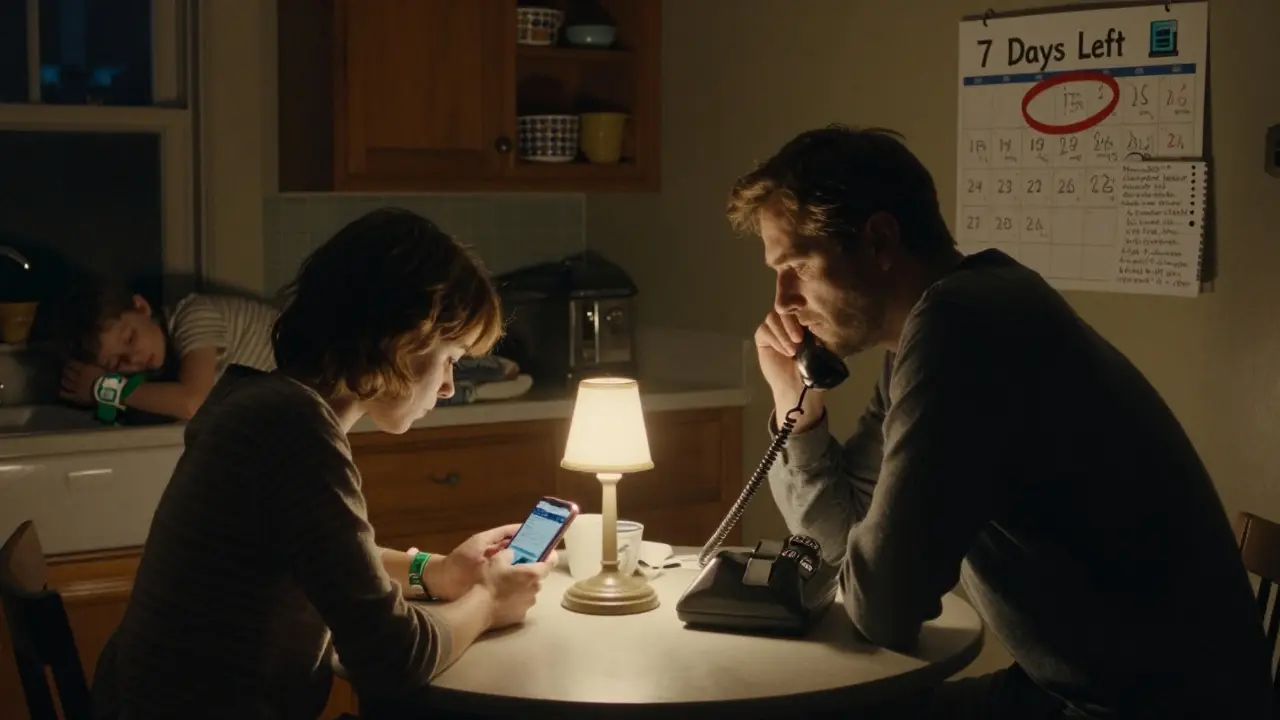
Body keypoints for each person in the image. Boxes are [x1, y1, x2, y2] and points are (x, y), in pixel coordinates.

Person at [728, 125, 1271, 719]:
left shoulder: (958, 331)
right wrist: (798, 411)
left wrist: (866, 572)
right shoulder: (945, 320)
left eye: (798, 266)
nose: (783, 301)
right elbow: (844, 543)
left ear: (880, 240)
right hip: (1082, 691)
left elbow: (884, 608)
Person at [90, 207, 553, 719]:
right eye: (450, 358)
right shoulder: (293, 428)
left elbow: (324, 558)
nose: (447, 386)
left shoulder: (250, 399)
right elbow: (392, 657)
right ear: (403, 338)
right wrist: (488, 600)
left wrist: (437, 572)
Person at [54, 280, 280, 420]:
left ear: (141, 307)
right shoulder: (164, 367)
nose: (133, 358)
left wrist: (103, 388)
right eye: (117, 363)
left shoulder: (193, 315)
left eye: (130, 339)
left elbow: (193, 402)